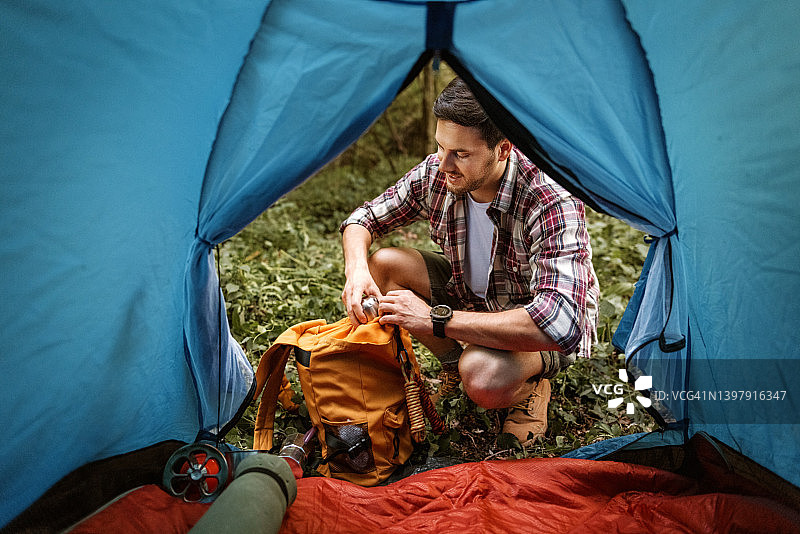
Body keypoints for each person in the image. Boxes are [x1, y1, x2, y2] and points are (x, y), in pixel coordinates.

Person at [339, 77, 599, 445]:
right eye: (440, 147)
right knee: (382, 265)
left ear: (504, 149)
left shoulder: (550, 199)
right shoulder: (439, 172)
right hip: (474, 296)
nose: (443, 164)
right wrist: (356, 271)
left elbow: (561, 324)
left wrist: (433, 320)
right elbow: (362, 220)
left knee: (480, 374)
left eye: (460, 154)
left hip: (533, 325)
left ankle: (532, 383)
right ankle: (450, 367)